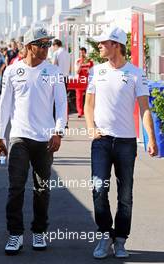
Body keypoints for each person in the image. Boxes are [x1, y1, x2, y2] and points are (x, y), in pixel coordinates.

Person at [84, 26, 158, 259]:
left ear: (116, 45)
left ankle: (121, 240)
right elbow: (88, 104)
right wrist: (91, 129)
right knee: (98, 188)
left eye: (103, 43)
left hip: (126, 142)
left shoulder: (136, 73)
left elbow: (145, 108)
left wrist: (150, 138)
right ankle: (105, 235)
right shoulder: (96, 71)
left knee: (125, 194)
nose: (99, 46)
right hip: (102, 141)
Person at [0, 26, 67, 255]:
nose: (46, 48)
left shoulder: (53, 71)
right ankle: (15, 235)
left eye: (48, 44)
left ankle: (38, 231)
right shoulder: (12, 71)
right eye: (41, 44)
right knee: (16, 188)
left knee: (42, 189)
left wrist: (58, 132)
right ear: (28, 46)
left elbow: (62, 104)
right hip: (19, 137)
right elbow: (4, 106)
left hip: (44, 139)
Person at [52, 39, 70, 127]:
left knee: (56, 100)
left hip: (58, 77)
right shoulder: (67, 53)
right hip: (66, 77)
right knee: (64, 100)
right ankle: (65, 121)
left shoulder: (56, 53)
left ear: (55, 45)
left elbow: (53, 66)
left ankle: (57, 121)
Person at [75, 47, 93, 117]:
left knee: (89, 97)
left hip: (88, 80)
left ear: (85, 53)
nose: (81, 54)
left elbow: (92, 71)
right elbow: (77, 71)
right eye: (80, 52)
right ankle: (80, 112)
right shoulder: (77, 61)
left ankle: (88, 111)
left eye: (83, 52)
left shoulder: (89, 61)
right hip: (80, 80)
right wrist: (80, 64)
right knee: (79, 97)